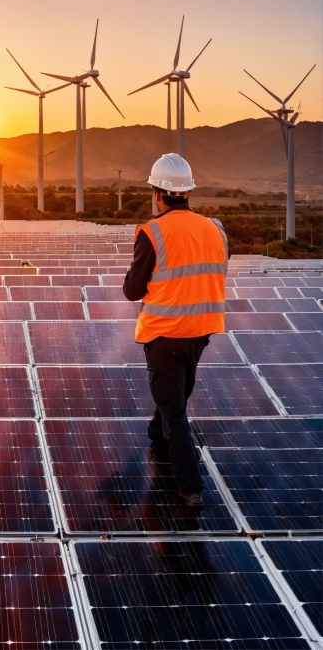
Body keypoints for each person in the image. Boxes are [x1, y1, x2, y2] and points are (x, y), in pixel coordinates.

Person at [123, 153, 228, 508]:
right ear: (188, 193)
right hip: (202, 332)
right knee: (173, 399)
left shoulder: (152, 232)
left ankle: (189, 486)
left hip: (165, 334)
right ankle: (157, 438)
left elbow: (133, 290)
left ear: (158, 194)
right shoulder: (215, 228)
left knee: (175, 413)